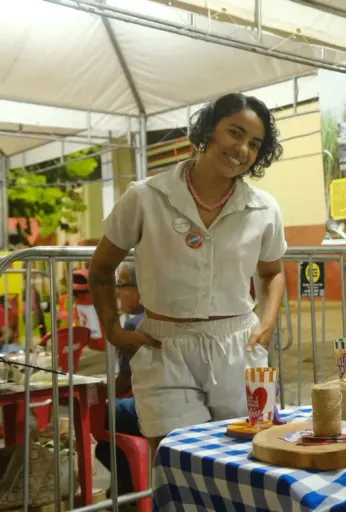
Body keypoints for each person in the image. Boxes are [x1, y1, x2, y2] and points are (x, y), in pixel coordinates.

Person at [89, 93, 287, 454]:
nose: (242, 148)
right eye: (235, 133)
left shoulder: (264, 208)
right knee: (175, 465)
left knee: (245, 460)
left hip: (238, 345)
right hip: (163, 347)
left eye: (255, 143)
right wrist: (114, 329)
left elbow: (273, 272)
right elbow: (101, 269)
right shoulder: (145, 197)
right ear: (209, 131)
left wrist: (268, 322)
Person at [94, 262, 144, 495]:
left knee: (100, 415)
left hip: (148, 406)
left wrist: (98, 393)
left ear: (140, 289)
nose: (116, 292)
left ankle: (129, 491)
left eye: (121, 285)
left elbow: (124, 380)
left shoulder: (135, 324)